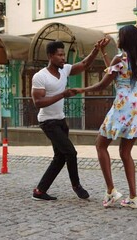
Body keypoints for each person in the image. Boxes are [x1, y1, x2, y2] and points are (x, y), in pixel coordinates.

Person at [74, 25, 137, 208]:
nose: (118, 38)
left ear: (125, 39)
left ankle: (111, 191)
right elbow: (114, 72)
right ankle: (134, 198)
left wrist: (80, 90)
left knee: (100, 145)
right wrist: (103, 53)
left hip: (123, 105)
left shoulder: (120, 58)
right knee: (126, 153)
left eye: (120, 35)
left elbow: (103, 84)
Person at [31, 39, 105, 201]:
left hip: (61, 120)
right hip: (48, 122)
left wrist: (96, 50)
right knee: (70, 152)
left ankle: (39, 191)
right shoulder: (40, 77)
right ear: (50, 56)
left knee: (60, 157)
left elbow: (84, 65)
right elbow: (38, 102)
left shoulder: (64, 70)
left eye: (64, 54)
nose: (63, 58)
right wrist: (62, 94)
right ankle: (76, 185)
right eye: (59, 55)